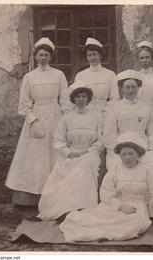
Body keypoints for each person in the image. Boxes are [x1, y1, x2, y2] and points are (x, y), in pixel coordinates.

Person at [59, 132, 153, 242]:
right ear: (119, 155)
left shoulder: (147, 170)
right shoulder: (115, 170)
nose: (127, 158)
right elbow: (106, 193)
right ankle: (79, 219)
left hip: (137, 209)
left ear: (138, 154)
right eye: (124, 154)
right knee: (99, 220)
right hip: (116, 206)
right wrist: (120, 206)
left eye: (131, 154)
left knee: (133, 226)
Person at [5, 37, 69, 208]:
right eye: (40, 55)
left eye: (46, 55)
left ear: (51, 56)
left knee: (56, 155)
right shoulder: (29, 77)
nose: (43, 58)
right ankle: (32, 200)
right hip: (37, 118)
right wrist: (34, 121)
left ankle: (56, 197)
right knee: (35, 158)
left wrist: (66, 122)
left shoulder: (59, 75)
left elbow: (64, 100)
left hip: (56, 116)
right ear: (36, 56)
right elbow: (24, 105)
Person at [38, 83, 103, 221]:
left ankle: (84, 209)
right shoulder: (66, 118)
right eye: (78, 97)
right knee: (62, 171)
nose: (81, 99)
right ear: (73, 99)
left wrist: (90, 150)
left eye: (84, 96)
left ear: (88, 98)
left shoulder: (97, 117)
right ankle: (66, 209)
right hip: (71, 153)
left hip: (90, 153)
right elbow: (58, 140)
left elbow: (101, 139)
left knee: (85, 167)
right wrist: (68, 152)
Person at [103, 70, 153, 175]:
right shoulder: (113, 109)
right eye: (127, 87)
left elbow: (152, 133)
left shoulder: (146, 108)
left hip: (142, 148)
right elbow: (109, 136)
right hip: (120, 149)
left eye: (133, 87)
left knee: (151, 165)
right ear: (121, 89)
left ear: (138, 88)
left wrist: (149, 148)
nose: (131, 90)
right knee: (118, 169)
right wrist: (121, 149)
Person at [73, 37, 118, 113]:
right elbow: (76, 97)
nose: (92, 58)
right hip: (86, 112)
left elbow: (115, 97)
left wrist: (107, 110)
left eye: (94, 54)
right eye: (89, 55)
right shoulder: (81, 75)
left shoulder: (110, 74)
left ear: (100, 55)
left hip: (105, 112)